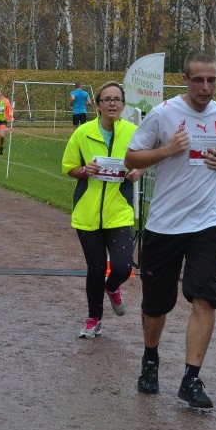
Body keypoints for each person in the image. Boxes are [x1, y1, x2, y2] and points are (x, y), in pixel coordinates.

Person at [125, 50, 216, 410]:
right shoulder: (163, 115)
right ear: (185, 79)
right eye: (199, 80)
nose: (206, 87)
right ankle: (150, 359)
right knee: (157, 305)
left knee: (205, 298)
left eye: (212, 79)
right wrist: (168, 150)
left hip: (207, 222)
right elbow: (132, 157)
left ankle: (191, 379)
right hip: (165, 225)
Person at [61, 81, 143, 339]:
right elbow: (69, 167)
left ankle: (113, 288)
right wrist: (84, 170)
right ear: (97, 105)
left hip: (118, 211)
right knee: (95, 268)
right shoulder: (82, 133)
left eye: (116, 99)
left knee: (121, 267)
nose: (112, 104)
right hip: (88, 212)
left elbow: (143, 161)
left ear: (123, 104)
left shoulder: (133, 132)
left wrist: (139, 170)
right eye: (106, 99)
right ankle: (93, 318)